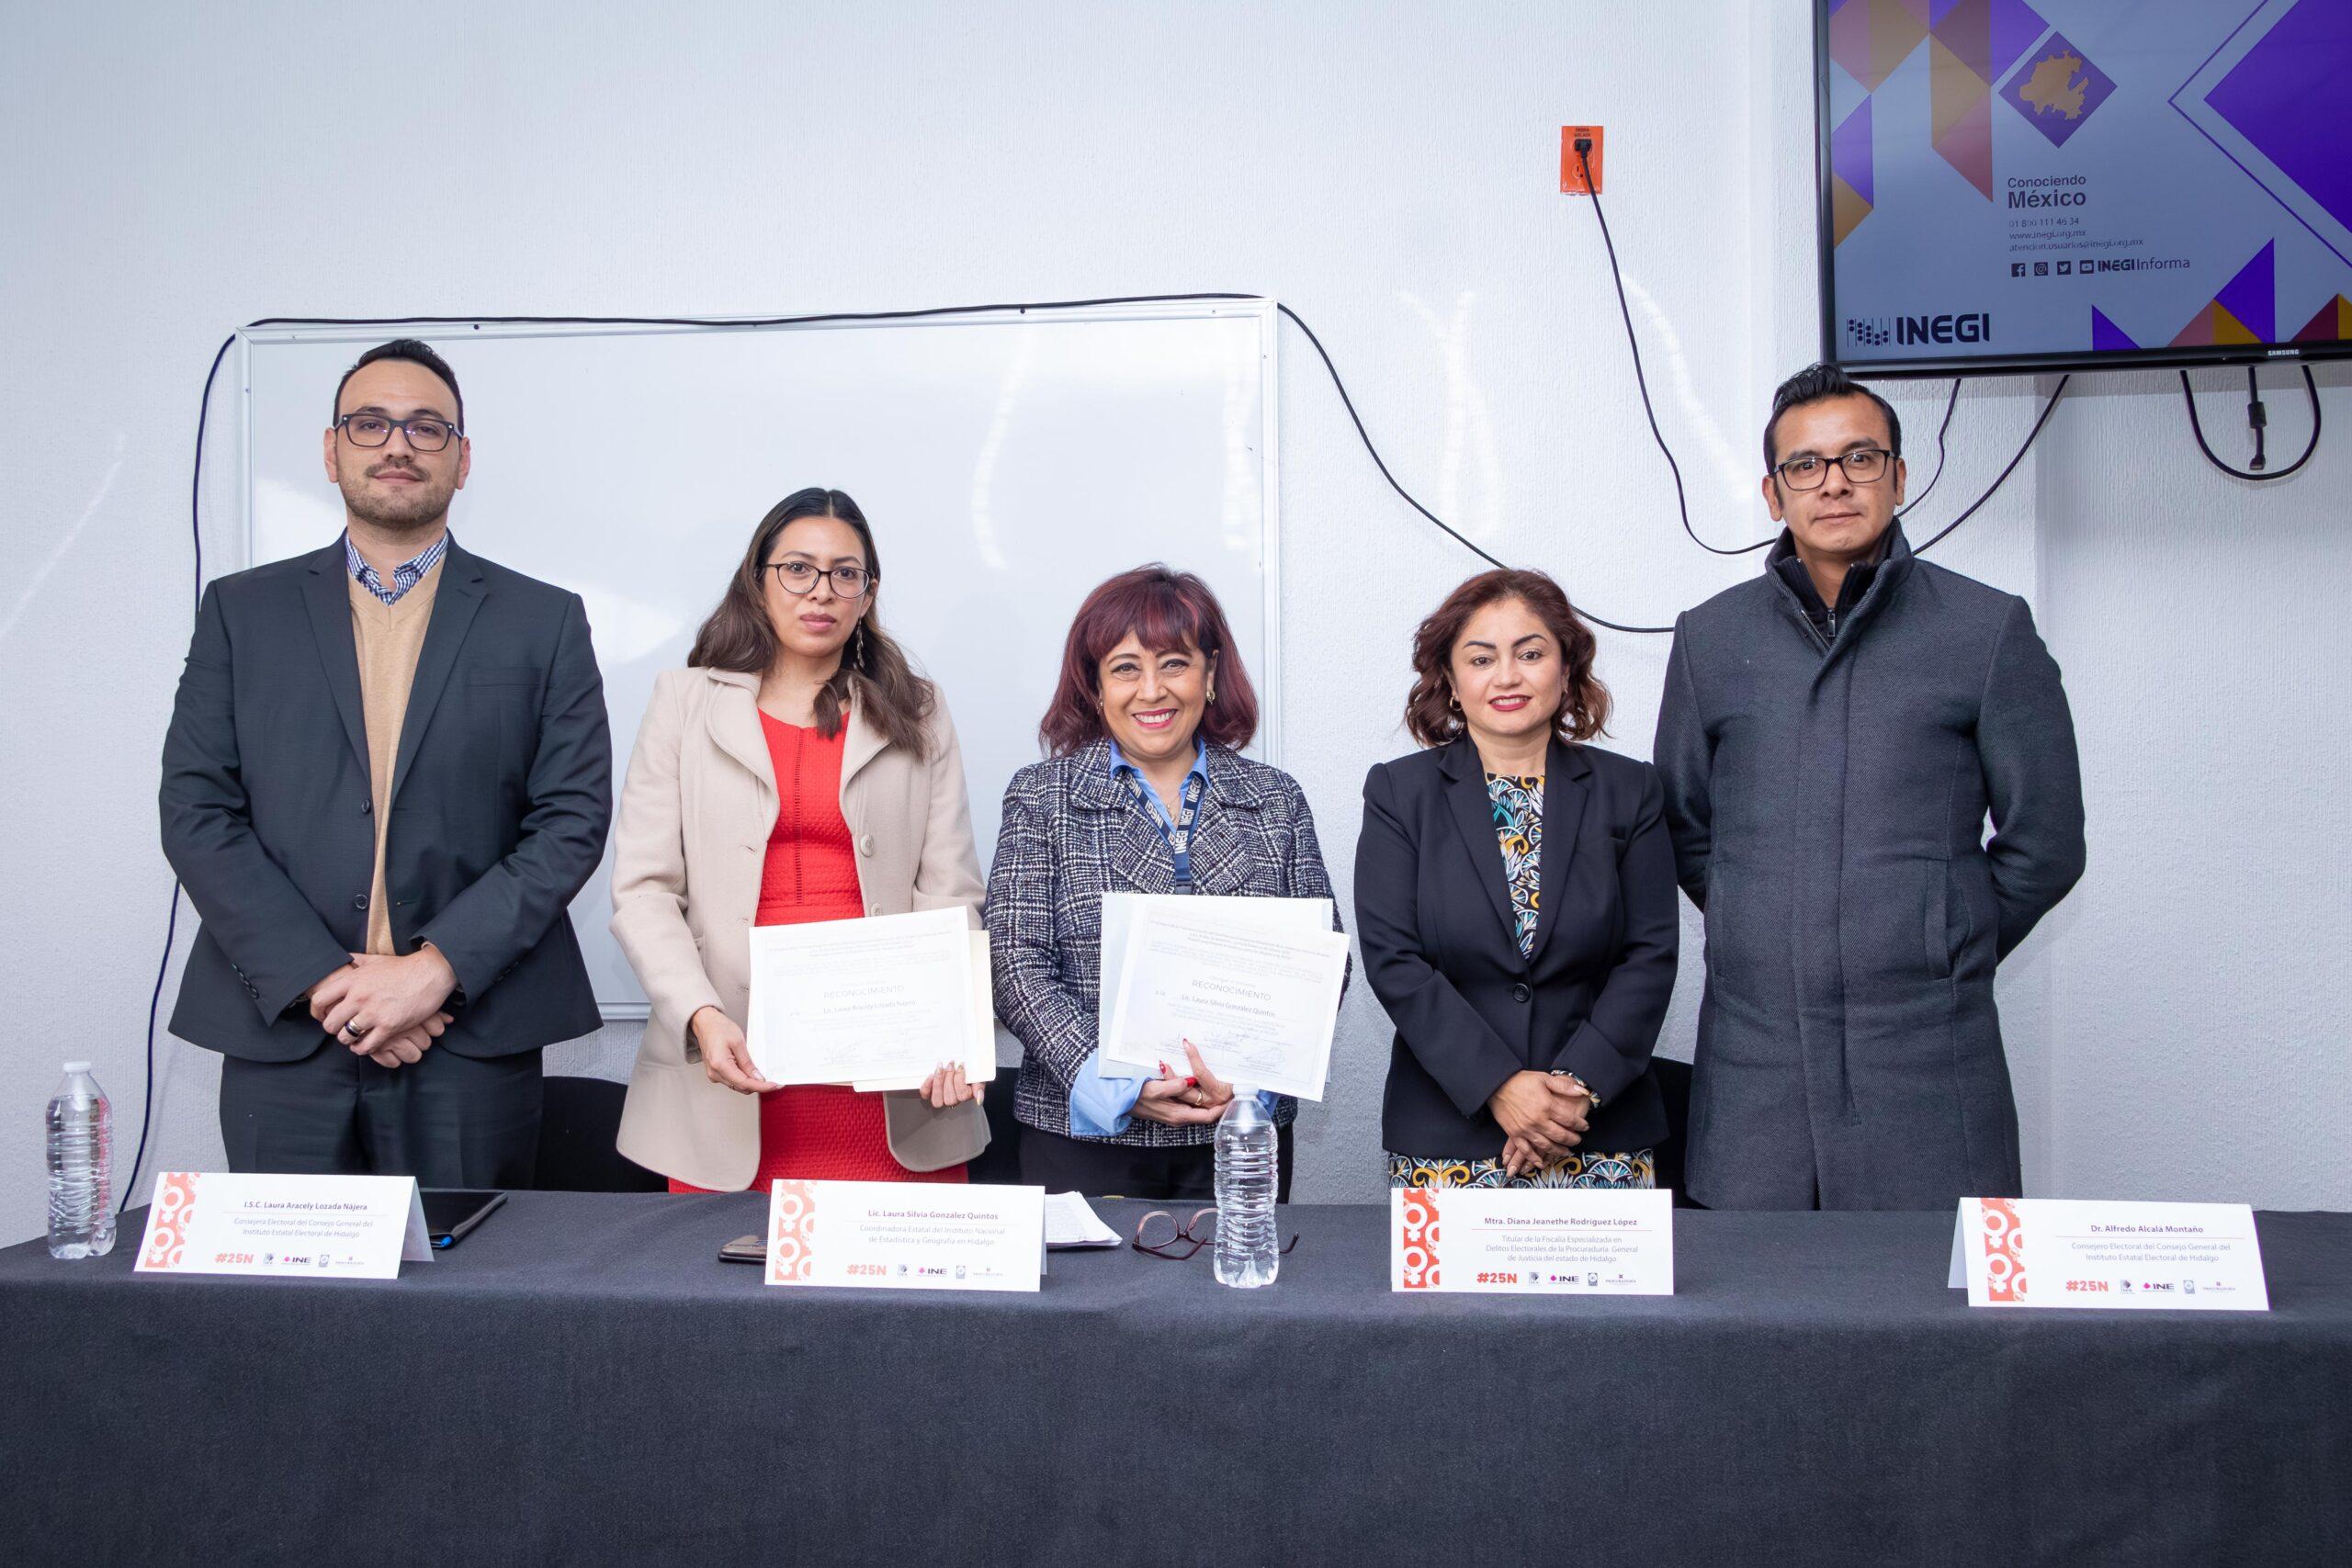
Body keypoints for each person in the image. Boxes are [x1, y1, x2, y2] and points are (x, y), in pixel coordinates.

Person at [159, 338, 611, 1185]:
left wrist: (431, 974)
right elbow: (196, 811)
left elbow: (572, 821)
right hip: (284, 1032)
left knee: (466, 1307)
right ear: (331, 451)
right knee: (280, 1307)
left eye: (426, 427)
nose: (397, 444)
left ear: (463, 460)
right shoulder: (241, 613)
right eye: (371, 424)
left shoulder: (543, 620)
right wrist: (333, 983)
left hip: (469, 1038)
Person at [1654, 362, 2086, 1212]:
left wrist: (1941, 935)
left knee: (1938, 1333)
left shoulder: (1986, 629)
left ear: (1899, 474)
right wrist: (1761, 919)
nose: (1835, 483)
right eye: (1805, 466)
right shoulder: (1711, 638)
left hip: (1928, 1065)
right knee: (1752, 1329)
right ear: (1774, 495)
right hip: (1755, 1074)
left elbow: (2047, 843)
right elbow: (1683, 825)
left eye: (1859, 458)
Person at [613, 487, 987, 1192]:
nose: (822, 592)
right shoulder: (683, 702)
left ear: (868, 593)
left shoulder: (919, 710)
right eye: (798, 568)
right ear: (759, 578)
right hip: (731, 1062)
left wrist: (954, 1029)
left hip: (890, 1072)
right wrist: (699, 1014)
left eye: (846, 573)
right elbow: (643, 891)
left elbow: (950, 890)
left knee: (901, 1290)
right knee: (725, 1294)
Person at [987, 566, 1341, 1201]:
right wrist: (1113, 1084)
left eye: (1173, 663)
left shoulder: (1276, 799)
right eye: (1125, 667)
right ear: (1094, 686)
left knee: (1238, 1297)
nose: (1151, 690)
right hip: (1082, 1136)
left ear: (1210, 674)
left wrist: (1251, 1081)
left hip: (1239, 1133)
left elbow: (1323, 964)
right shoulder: (1041, 798)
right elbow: (1015, 962)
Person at [1355, 570, 1677, 1190]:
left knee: (1607, 1294)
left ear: (1566, 668)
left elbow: (1651, 953)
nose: (1508, 675)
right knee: (1455, 1296)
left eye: (1531, 653)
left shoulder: (1629, 790)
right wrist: (1500, 1087)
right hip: (1449, 1130)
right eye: (1482, 658)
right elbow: (1394, 959)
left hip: (1597, 1129)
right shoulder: (1400, 792)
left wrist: (1573, 1091)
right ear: (1450, 680)